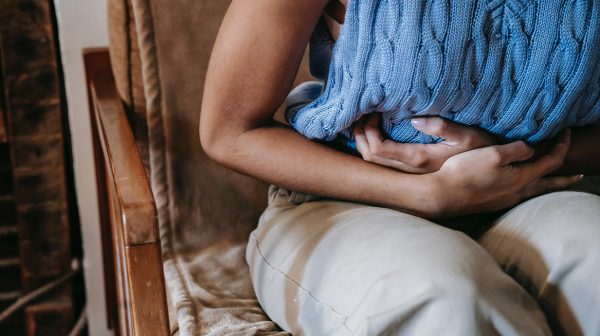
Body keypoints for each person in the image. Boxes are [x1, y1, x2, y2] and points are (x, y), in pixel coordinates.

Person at [200, 0, 600, 334]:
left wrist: (511, 155)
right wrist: (427, 194)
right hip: (347, 202)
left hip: (534, 189)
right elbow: (229, 132)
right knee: (448, 298)